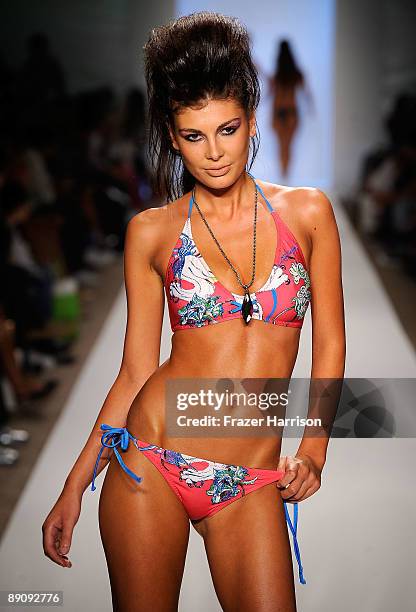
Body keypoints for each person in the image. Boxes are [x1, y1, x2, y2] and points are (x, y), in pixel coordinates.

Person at [42, 12, 345, 611]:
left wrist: (314, 448)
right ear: (173, 137)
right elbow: (134, 372)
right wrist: (75, 485)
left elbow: (330, 343)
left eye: (227, 129)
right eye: (193, 135)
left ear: (253, 120)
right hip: (148, 461)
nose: (213, 152)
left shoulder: (308, 214)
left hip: (251, 480)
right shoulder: (151, 233)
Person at [269, 39, 314, 178]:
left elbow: (271, 94)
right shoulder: (296, 74)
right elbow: (307, 94)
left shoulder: (277, 75)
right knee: (288, 146)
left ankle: (283, 175)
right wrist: (311, 108)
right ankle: (285, 176)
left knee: (281, 147)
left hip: (278, 111)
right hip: (291, 112)